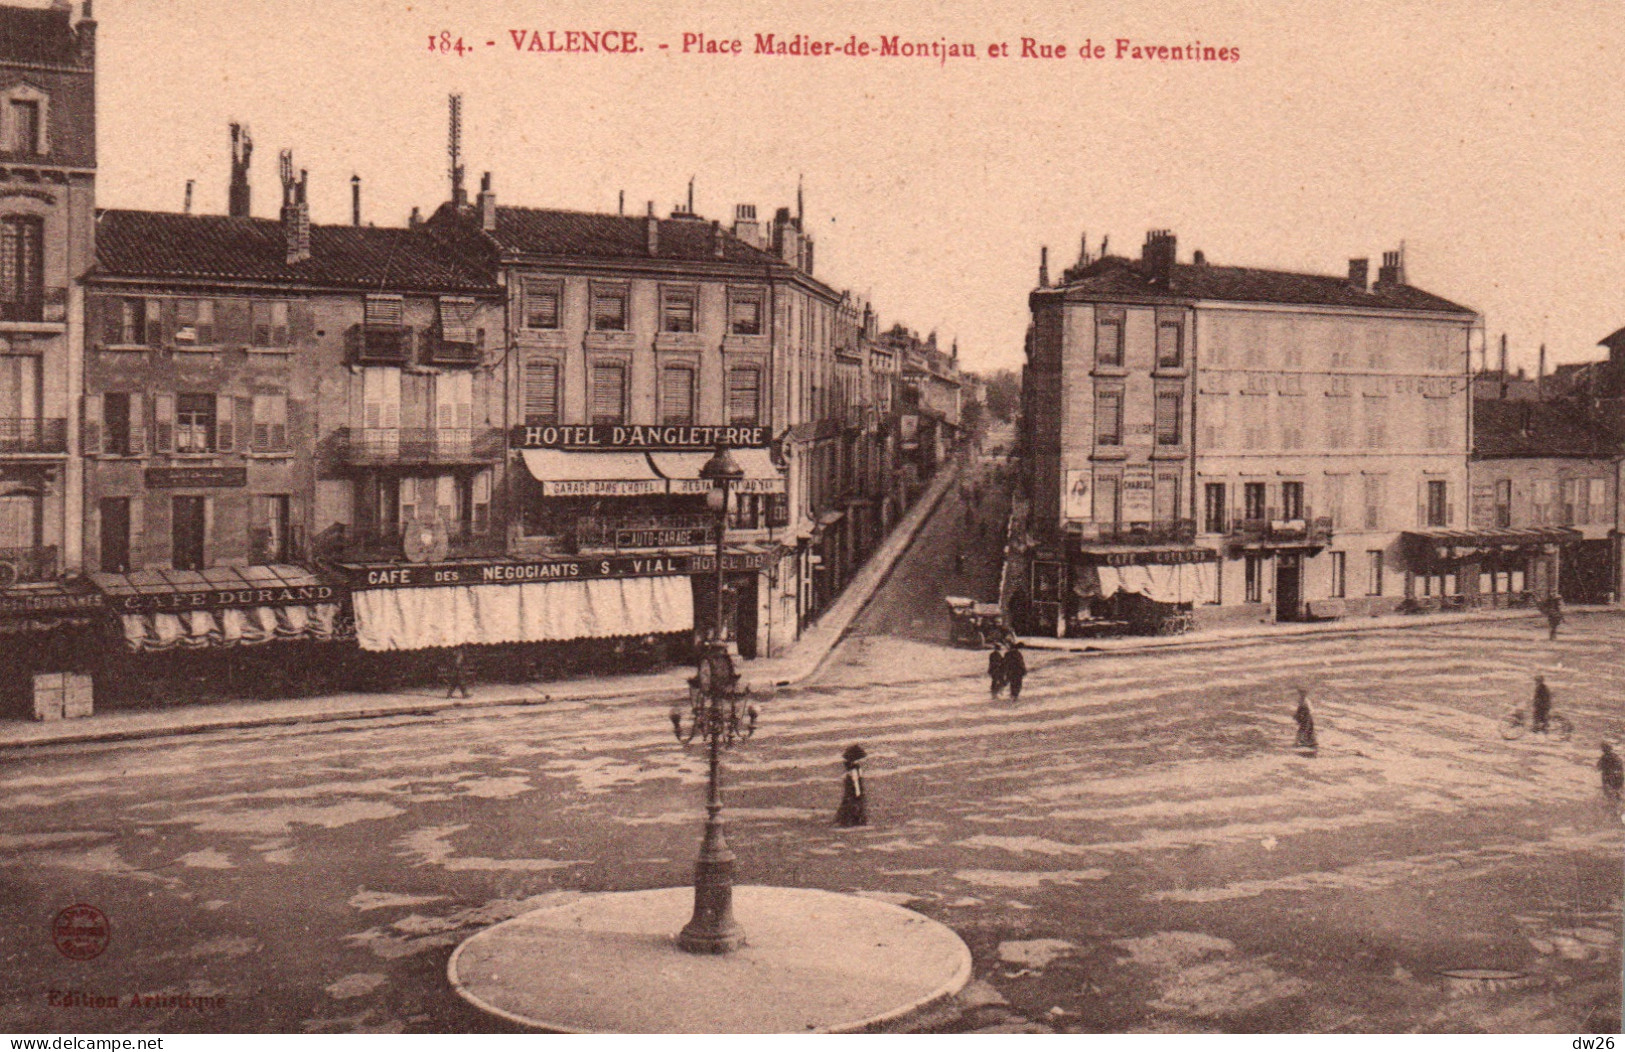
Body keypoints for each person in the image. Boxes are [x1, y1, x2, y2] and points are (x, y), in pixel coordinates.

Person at [836, 744, 868, 827]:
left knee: (848, 804)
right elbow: (856, 781)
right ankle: (856, 821)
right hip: (855, 790)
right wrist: (858, 792)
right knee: (856, 805)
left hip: (850, 790)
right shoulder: (856, 768)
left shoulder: (851, 768)